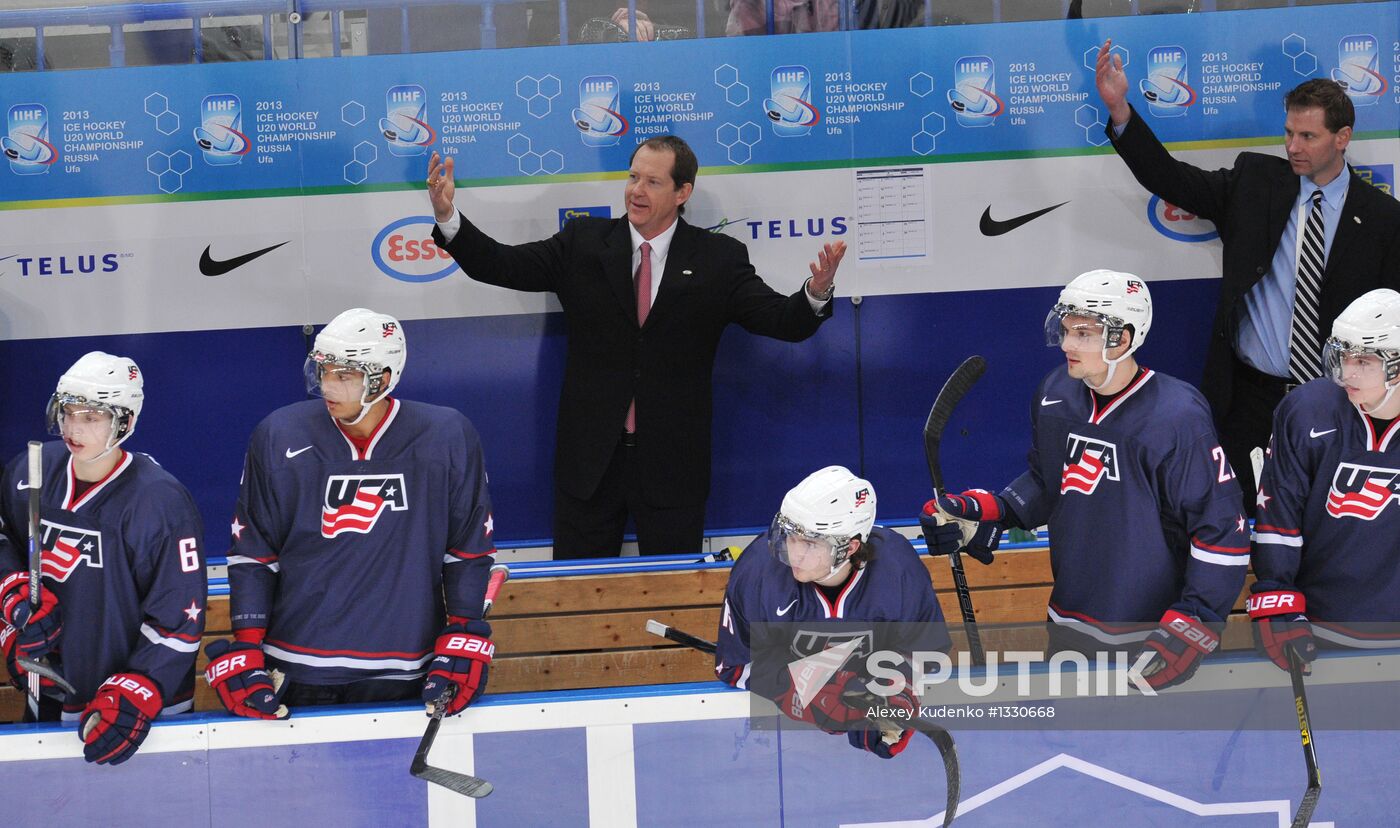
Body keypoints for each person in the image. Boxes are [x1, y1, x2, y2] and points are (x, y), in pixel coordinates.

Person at [427, 134, 845, 559]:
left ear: (683, 192)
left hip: (673, 466)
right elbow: (501, 263)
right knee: (577, 597)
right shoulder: (582, 242)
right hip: (588, 464)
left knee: (670, 597)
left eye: (652, 182)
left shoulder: (718, 258)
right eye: (632, 178)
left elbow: (781, 320)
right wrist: (448, 218)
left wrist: (815, 291)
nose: (636, 191)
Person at [1095, 41, 1400, 511]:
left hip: (1341, 403)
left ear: (1342, 137)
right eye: (1289, 132)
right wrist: (1120, 111)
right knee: (1244, 526)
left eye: (1308, 136)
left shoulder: (1382, 218)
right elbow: (1172, 179)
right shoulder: (1255, 183)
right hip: (1250, 401)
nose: (1293, 146)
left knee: (1328, 525)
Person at [922, 270, 1249, 690]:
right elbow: (1050, 481)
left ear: (1123, 338)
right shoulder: (1055, 392)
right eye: (1064, 329)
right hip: (1068, 621)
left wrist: (1194, 623)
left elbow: (1222, 530)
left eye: (1083, 333)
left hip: (1153, 635)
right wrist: (988, 510)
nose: (1066, 344)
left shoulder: (1177, 416)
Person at [212, 308, 497, 720]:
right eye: (323, 370)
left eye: (344, 375)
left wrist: (464, 630)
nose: (328, 385)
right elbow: (254, 553)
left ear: (382, 378)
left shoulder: (447, 436)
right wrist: (247, 642)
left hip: (407, 670)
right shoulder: (279, 434)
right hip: (294, 666)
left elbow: (468, 550)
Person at [0, 352, 206, 765]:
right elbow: (5, 541)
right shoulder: (31, 471)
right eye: (67, 412)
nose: (73, 428)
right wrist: (12, 607)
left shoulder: (160, 501)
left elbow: (180, 615)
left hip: (138, 706)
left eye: (91, 417)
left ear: (124, 422)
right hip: (51, 689)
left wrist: (138, 686)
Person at [714, 466, 951, 758]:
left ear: (850, 547)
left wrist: (895, 696)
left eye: (811, 543)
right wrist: (798, 691)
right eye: (789, 536)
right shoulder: (758, 573)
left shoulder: (898, 569)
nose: (794, 553)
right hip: (773, 751)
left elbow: (927, 652)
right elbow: (733, 665)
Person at [1249, 288, 1400, 670]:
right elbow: (1278, 514)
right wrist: (1277, 595)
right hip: (1320, 629)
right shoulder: (1307, 410)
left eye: (1364, 361)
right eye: (1341, 356)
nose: (1346, 372)